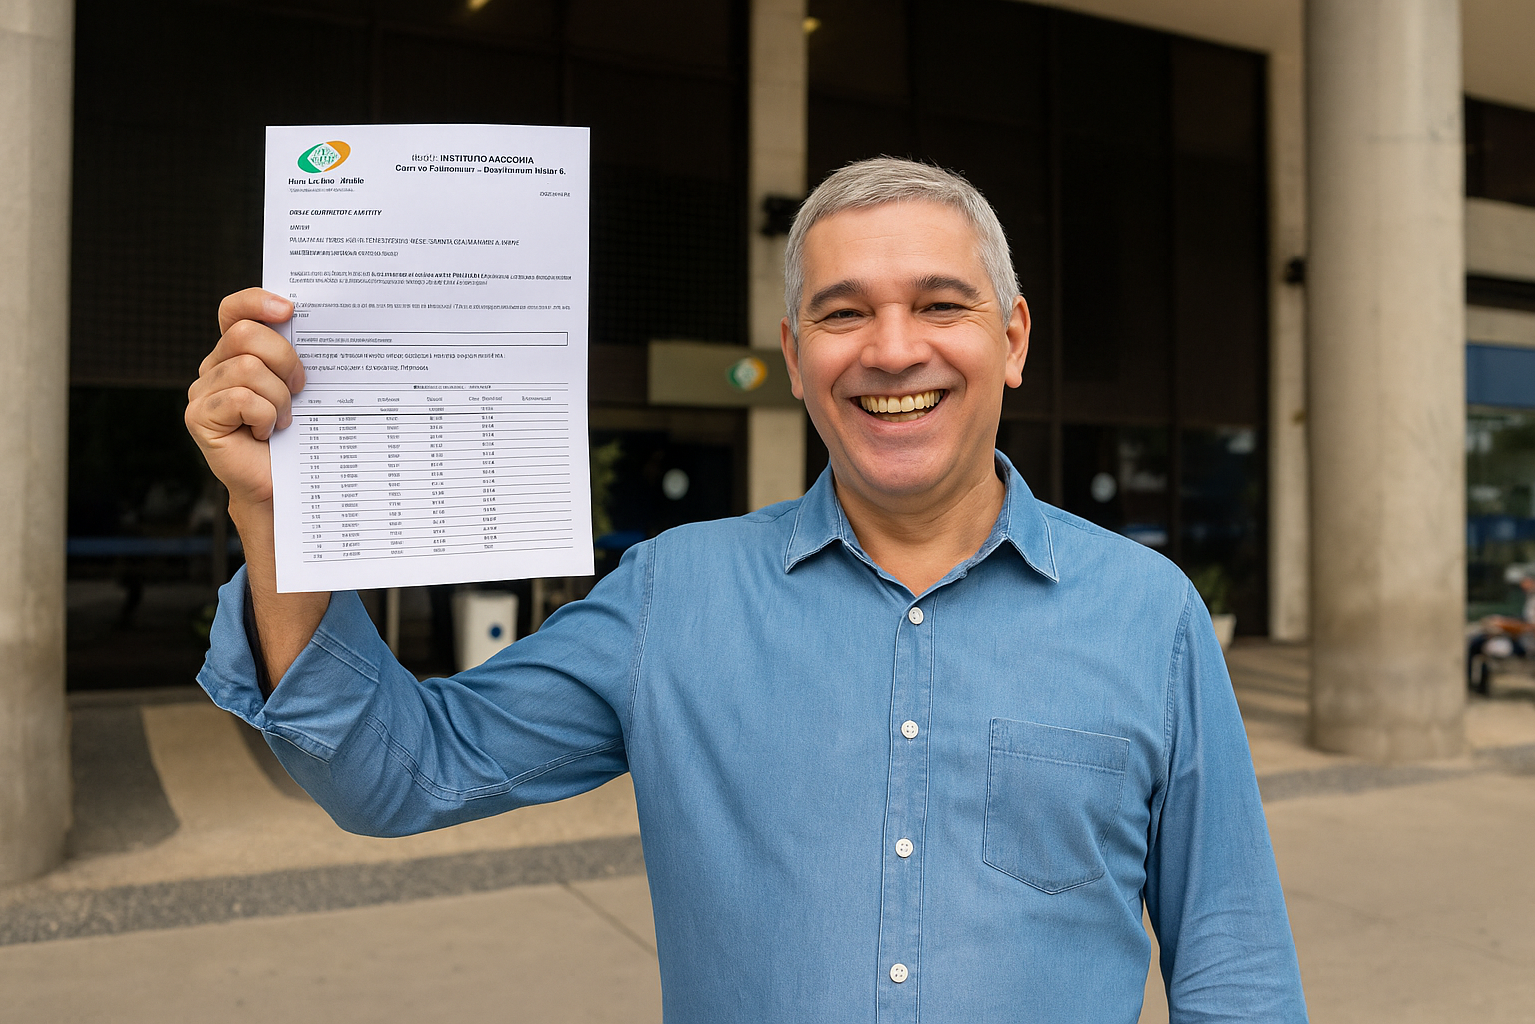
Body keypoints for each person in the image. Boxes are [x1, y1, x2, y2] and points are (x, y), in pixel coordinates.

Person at [187, 157, 1307, 1022]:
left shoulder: (1149, 613)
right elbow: (401, 773)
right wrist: (275, 514)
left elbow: (1235, 963)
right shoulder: (675, 594)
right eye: (844, 311)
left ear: (1012, 339)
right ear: (793, 352)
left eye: (941, 305)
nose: (892, 348)